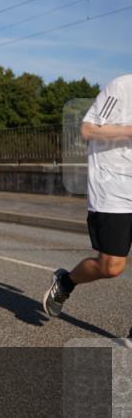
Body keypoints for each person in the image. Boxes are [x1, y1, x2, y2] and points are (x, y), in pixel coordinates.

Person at [43, 73, 132, 337]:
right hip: (114, 188)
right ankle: (66, 282)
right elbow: (88, 129)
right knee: (111, 266)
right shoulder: (122, 86)